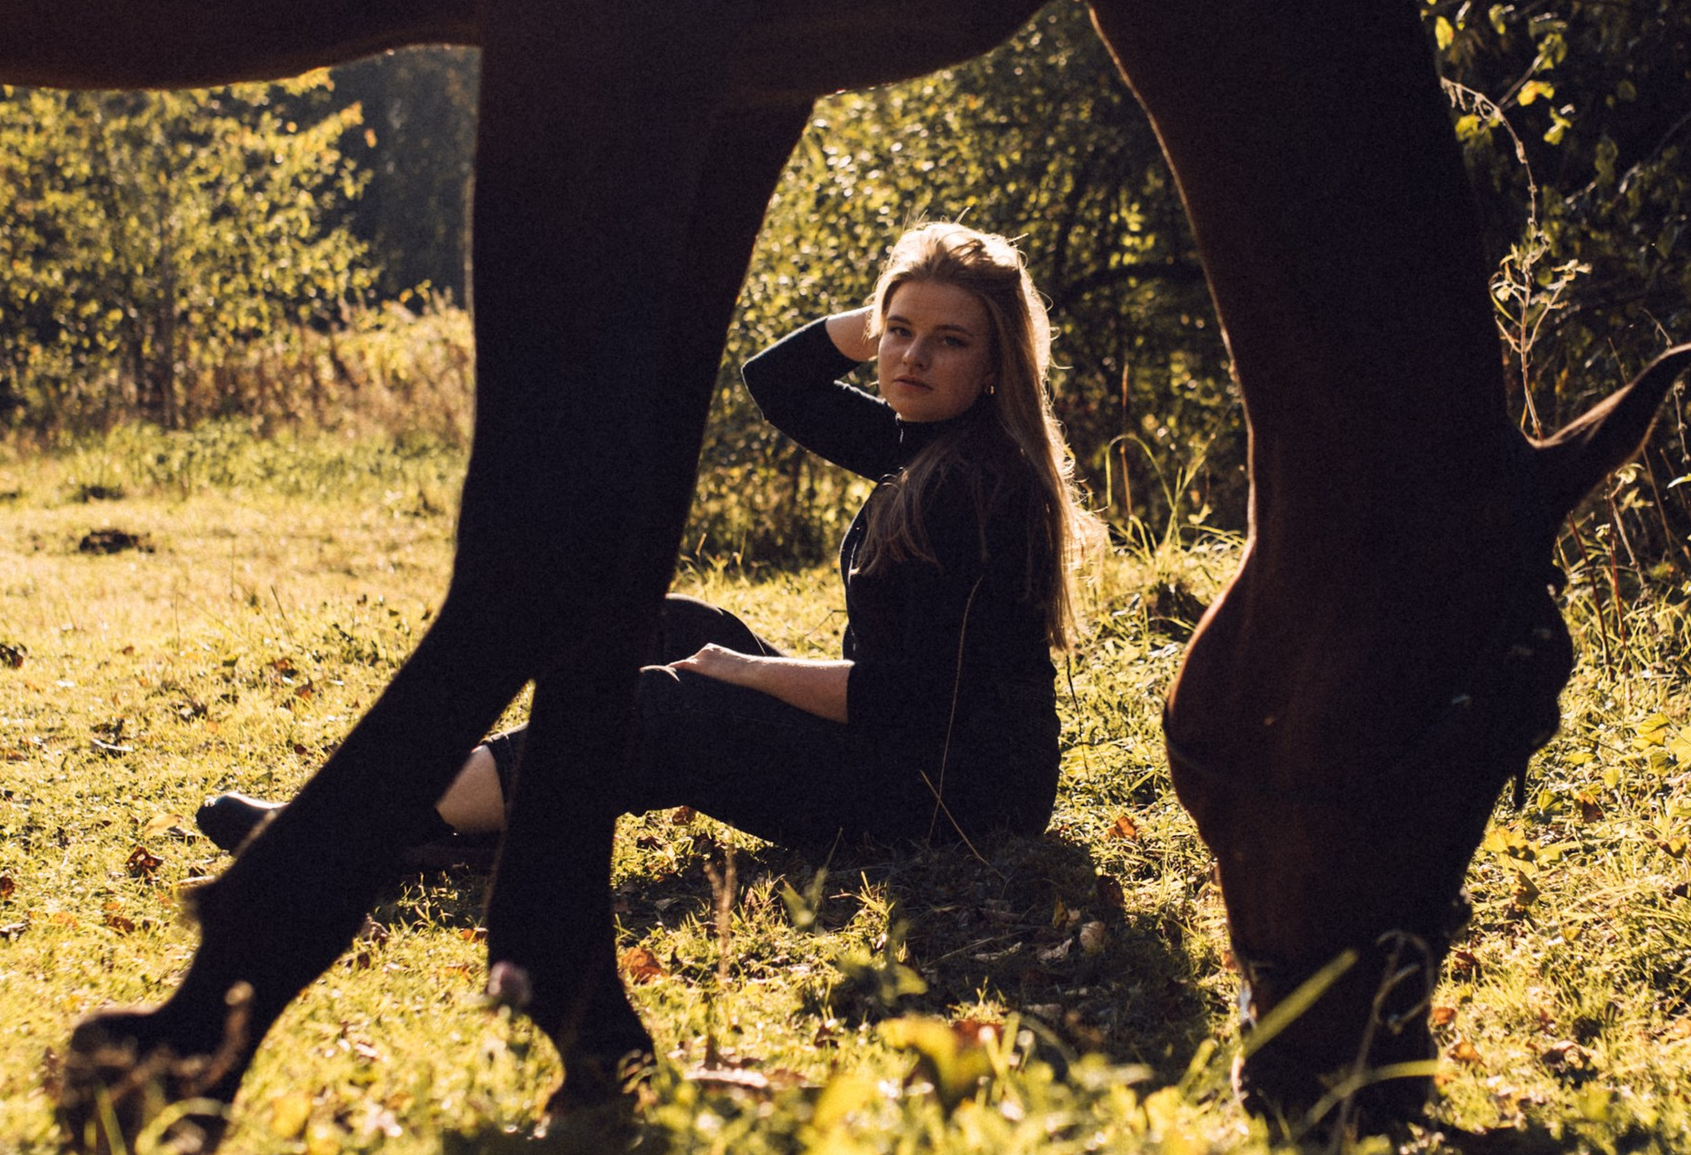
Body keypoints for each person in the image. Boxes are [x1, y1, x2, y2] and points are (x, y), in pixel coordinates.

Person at [196, 221, 1098, 875]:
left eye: (951, 343)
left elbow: (909, 700)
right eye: (898, 335)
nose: (911, 358)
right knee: (666, 623)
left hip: (952, 802)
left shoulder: (977, 488)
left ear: (997, 363)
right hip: (914, 758)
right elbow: (776, 381)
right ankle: (471, 807)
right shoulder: (929, 445)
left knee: (670, 709)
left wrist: (747, 677)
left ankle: (361, 825)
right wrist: (904, 304)